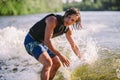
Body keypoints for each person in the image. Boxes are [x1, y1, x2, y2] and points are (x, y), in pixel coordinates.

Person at [24, 7, 82, 80]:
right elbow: (47, 40)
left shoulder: (67, 30)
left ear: (74, 22)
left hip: (42, 43)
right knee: (48, 63)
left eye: (72, 20)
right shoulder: (52, 20)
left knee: (57, 63)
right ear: (66, 14)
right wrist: (60, 55)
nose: (69, 20)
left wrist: (81, 58)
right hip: (31, 41)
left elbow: (73, 45)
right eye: (69, 17)